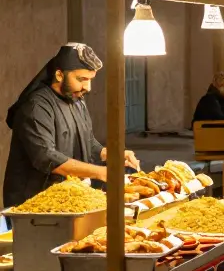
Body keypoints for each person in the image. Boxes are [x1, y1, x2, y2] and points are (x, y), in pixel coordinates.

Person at [4, 43, 139, 208]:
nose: (87, 87)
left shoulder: (76, 100)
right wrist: (102, 173)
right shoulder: (36, 107)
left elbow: (87, 142)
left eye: (90, 80)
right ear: (60, 75)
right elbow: (45, 157)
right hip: (34, 205)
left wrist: (113, 155)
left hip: (69, 200)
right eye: (81, 79)